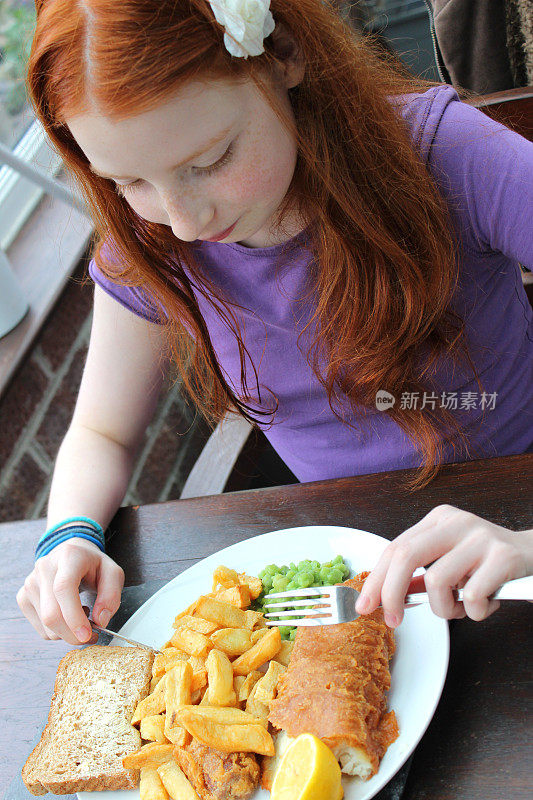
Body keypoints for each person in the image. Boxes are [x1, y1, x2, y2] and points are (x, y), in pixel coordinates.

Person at [17, 0, 532, 646]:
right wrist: (68, 533)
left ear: (283, 54)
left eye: (208, 161)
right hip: (354, 575)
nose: (182, 221)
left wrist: (524, 545)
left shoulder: (446, 155)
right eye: (128, 182)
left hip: (512, 521)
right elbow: (101, 430)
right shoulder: (152, 248)